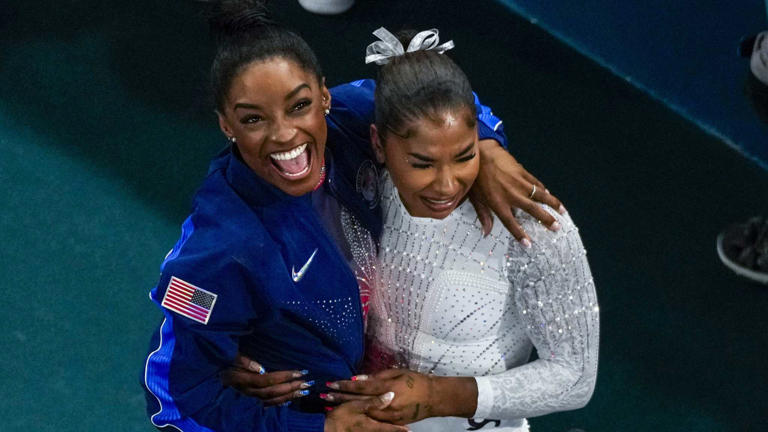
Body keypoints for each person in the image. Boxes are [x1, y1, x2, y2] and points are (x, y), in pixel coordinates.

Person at [141, 1, 566, 431]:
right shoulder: (220, 252)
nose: (284, 133)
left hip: (402, 378)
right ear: (226, 126)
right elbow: (174, 398)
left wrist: (488, 146)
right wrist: (321, 429)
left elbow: (442, 101)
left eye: (298, 105)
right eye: (253, 118)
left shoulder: (357, 115)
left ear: (324, 96)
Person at [230, 27, 599, 432]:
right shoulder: (356, 184)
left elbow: (574, 377)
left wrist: (439, 396)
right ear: (377, 144)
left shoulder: (532, 225)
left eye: (465, 156)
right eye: (422, 163)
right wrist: (246, 353)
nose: (446, 185)